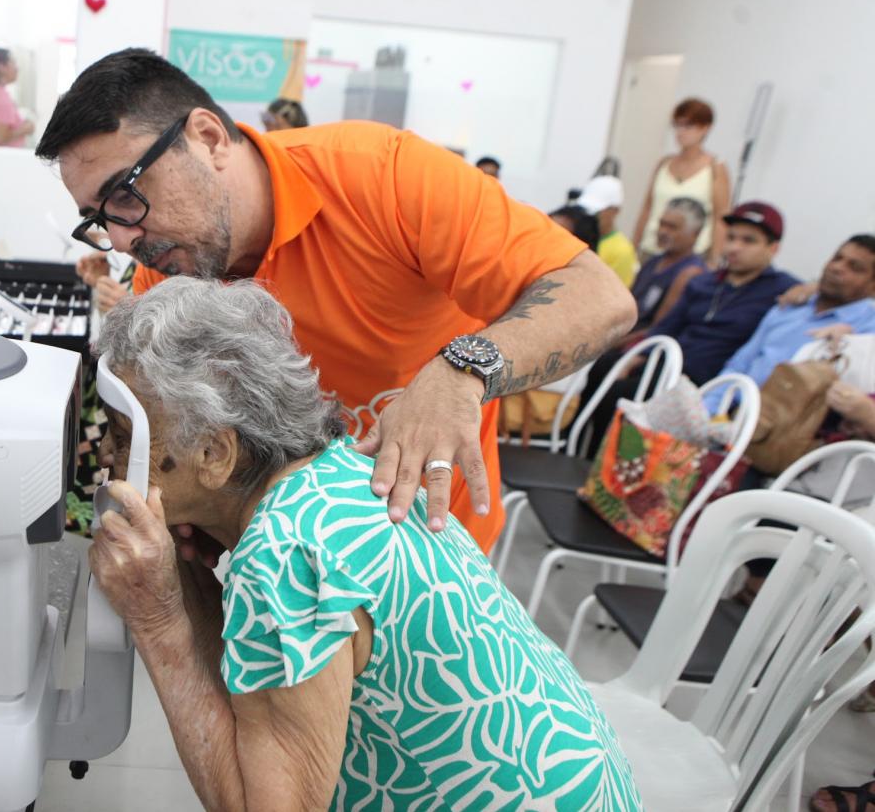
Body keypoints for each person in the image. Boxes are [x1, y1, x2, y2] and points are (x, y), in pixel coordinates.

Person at [36, 48, 636, 551]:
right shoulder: (169, 273)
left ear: (208, 137)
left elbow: (598, 298)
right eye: (97, 218)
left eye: (125, 195)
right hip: (284, 563)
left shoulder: (385, 179)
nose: (120, 237)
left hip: (424, 544)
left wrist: (461, 373)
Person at [88, 278, 643, 810]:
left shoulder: (285, 553)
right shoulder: (345, 474)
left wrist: (158, 620)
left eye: (123, 434)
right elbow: (254, 718)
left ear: (214, 454)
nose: (108, 456)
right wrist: (186, 578)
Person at [580, 201, 798, 454]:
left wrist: (809, 290)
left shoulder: (781, 289)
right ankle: (581, 451)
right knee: (605, 365)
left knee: (621, 393)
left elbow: (821, 299)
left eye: (749, 241)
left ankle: (601, 463)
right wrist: (636, 355)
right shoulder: (704, 283)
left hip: (707, 381)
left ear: (773, 248)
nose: (735, 247)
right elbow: (668, 326)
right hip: (669, 365)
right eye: (731, 238)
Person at [715, 235, 875, 392]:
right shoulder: (789, 306)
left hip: (794, 415)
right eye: (837, 258)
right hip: (736, 408)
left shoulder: (866, 330)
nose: (837, 268)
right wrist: (710, 409)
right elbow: (738, 365)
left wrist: (850, 344)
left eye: (855, 267)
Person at [632, 98, 731, 261]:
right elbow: (647, 208)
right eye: (677, 125)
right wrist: (634, 245)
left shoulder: (715, 168)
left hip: (692, 254)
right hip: (651, 248)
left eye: (689, 126)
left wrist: (715, 259)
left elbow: (720, 217)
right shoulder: (664, 164)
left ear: (705, 128)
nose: (681, 131)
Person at [630, 196, 708, 329]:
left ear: (695, 234)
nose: (662, 231)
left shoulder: (690, 272)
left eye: (672, 227)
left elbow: (657, 328)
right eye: (662, 224)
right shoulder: (654, 261)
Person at [577, 175, 639, 287]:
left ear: (615, 211)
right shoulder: (574, 233)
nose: (589, 216)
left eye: (596, 211)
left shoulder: (622, 251)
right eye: (585, 209)